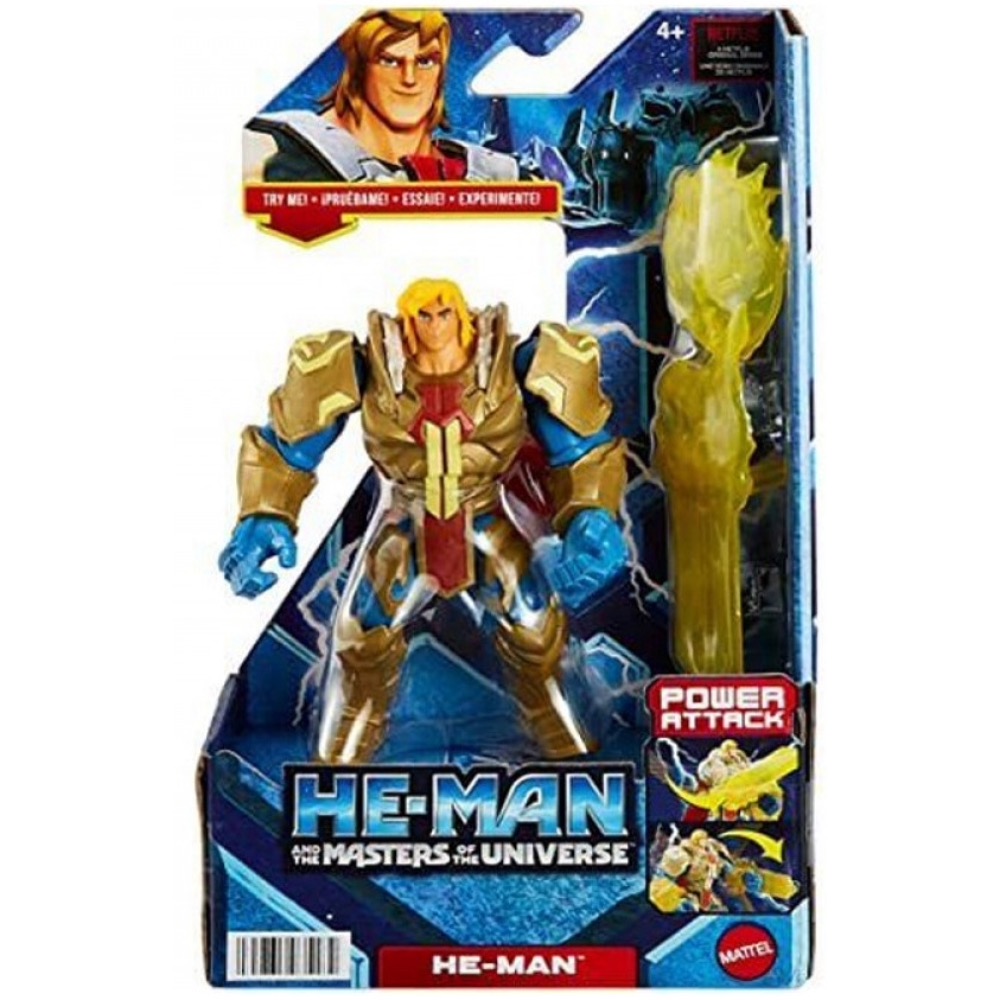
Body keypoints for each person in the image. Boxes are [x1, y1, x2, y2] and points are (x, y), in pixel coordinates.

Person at [219, 279, 630, 763]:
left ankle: (573, 755)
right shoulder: (366, 368)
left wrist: (591, 514)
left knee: (537, 634)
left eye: (444, 314)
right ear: (407, 323)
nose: (434, 326)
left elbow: (581, 449)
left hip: (484, 522)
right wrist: (265, 514)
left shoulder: (514, 365)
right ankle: (338, 766)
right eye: (423, 316)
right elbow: (288, 448)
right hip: (406, 526)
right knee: (361, 643)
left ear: (463, 317)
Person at [244, 9, 519, 183]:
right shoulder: (277, 145)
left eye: (425, 62)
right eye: (389, 61)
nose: (409, 78)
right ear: (359, 69)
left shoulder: (496, 172)